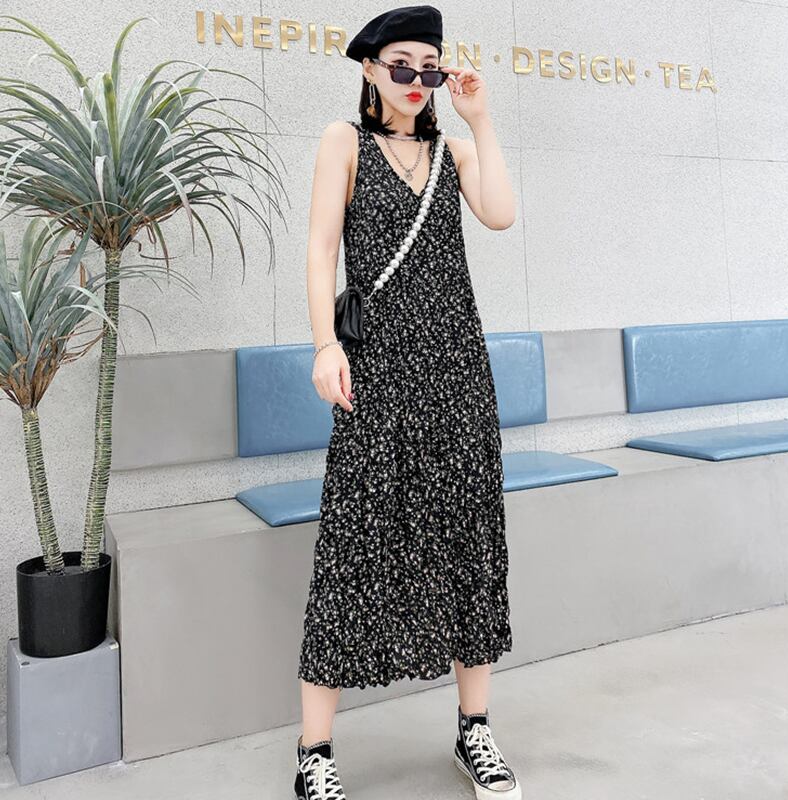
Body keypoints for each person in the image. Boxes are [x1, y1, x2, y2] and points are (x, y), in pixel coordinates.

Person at [296, 5, 519, 799]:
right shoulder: (343, 142)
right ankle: (314, 753)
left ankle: (474, 730)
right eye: (402, 66)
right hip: (378, 374)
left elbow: (501, 214)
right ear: (370, 69)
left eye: (430, 67)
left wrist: (480, 118)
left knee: (467, 541)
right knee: (354, 547)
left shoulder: (454, 151)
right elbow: (322, 247)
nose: (417, 80)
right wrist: (325, 344)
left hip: (457, 371)